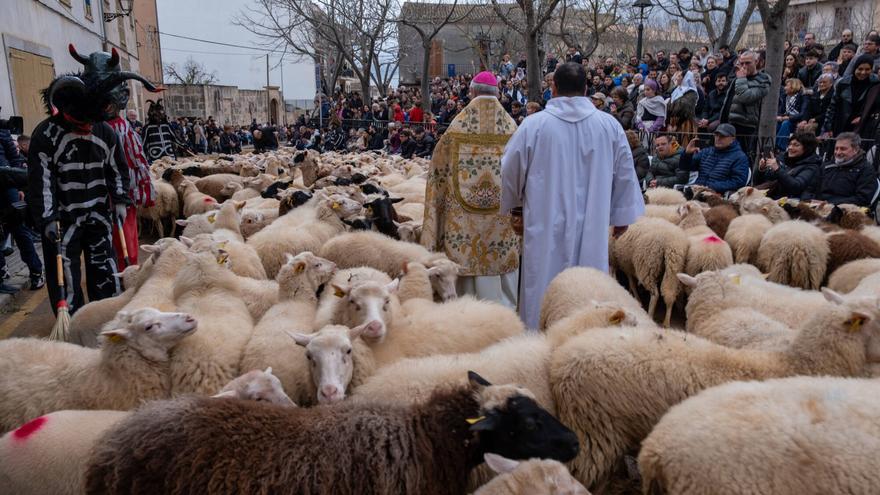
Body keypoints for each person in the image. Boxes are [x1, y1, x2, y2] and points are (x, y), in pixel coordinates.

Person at [500, 62, 644, 328]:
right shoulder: (609, 126)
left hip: (545, 222)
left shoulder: (534, 125)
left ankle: (537, 337)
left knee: (542, 282)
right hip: (593, 221)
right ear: (586, 89)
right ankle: (584, 339)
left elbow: (510, 168)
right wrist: (621, 215)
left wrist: (515, 203)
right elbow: (624, 172)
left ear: (552, 88)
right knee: (589, 286)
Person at [27, 45, 141, 314]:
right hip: (62, 218)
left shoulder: (104, 132)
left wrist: (121, 198)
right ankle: (73, 320)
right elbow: (40, 180)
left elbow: (117, 169)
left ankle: (105, 314)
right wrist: (46, 218)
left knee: (103, 265)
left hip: (99, 213)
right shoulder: (46, 135)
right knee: (65, 272)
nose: (90, 125)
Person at [421, 71, 520, 308]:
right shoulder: (513, 128)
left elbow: (438, 175)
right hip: (501, 217)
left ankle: (464, 309)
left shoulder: (455, 129)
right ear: (498, 93)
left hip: (462, 220)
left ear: (473, 91)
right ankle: (505, 310)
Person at [803, 132, 878, 207]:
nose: (838, 152)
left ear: (855, 150)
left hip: (844, 211)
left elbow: (862, 198)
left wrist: (830, 204)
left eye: (843, 149)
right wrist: (808, 200)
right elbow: (810, 188)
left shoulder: (866, 170)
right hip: (817, 207)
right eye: (836, 148)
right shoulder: (826, 166)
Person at [722, 51, 770, 158]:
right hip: (730, 123)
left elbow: (746, 97)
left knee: (742, 158)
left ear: (756, 62)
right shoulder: (739, 78)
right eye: (741, 63)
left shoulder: (763, 80)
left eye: (747, 63)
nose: (744, 66)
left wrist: (741, 79)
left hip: (746, 127)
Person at [678, 123, 750, 194]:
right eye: (716, 135)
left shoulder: (740, 157)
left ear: (732, 139)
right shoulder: (707, 151)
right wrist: (687, 154)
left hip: (718, 195)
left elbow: (738, 182)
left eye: (723, 136)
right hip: (697, 191)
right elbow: (685, 167)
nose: (718, 138)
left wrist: (710, 187)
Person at [822, 55, 880, 138]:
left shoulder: (875, 84)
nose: (863, 72)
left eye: (867, 69)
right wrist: (828, 128)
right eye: (860, 69)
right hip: (841, 124)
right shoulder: (842, 83)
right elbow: (832, 106)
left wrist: (863, 116)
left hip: (864, 126)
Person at [754, 131, 821, 200]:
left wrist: (778, 170)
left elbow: (795, 187)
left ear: (807, 148)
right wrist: (762, 169)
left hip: (793, 203)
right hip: (773, 198)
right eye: (790, 144)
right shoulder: (782, 158)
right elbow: (760, 182)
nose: (790, 148)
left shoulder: (812, 166)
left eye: (796, 145)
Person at [776, 78, 809, 150]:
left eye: (787, 86)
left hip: (797, 121)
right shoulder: (785, 96)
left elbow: (802, 114)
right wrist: (779, 117)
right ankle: (774, 145)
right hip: (785, 118)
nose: (785, 88)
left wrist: (788, 118)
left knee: (786, 123)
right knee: (776, 124)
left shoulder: (803, 96)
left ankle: (780, 147)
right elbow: (781, 111)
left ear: (793, 86)